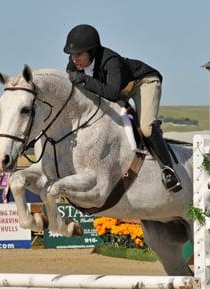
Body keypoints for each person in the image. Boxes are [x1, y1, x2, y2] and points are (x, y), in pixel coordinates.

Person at [63, 24, 182, 192]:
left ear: (92, 51)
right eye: (72, 55)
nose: (75, 60)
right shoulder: (74, 64)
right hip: (120, 89)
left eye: (79, 55)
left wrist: (84, 80)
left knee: (146, 128)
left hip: (143, 82)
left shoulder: (110, 61)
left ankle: (169, 170)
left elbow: (112, 93)